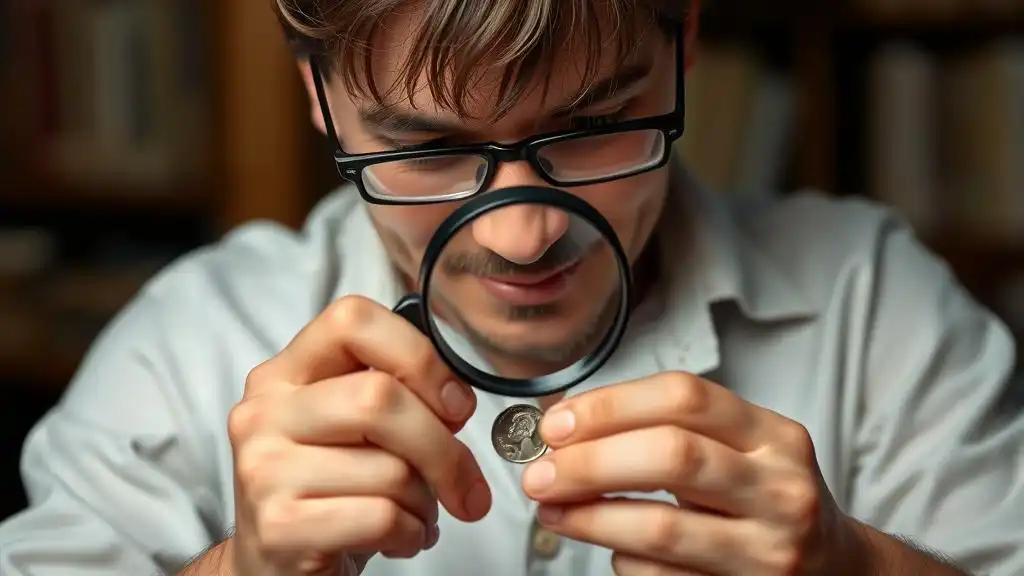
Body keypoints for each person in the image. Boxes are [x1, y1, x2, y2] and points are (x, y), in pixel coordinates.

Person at [1, 0, 1022, 574]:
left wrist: (857, 572)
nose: (524, 235)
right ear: (318, 99)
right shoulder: (187, 344)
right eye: (429, 149)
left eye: (590, 128)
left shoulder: (871, 298)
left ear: (687, 45)